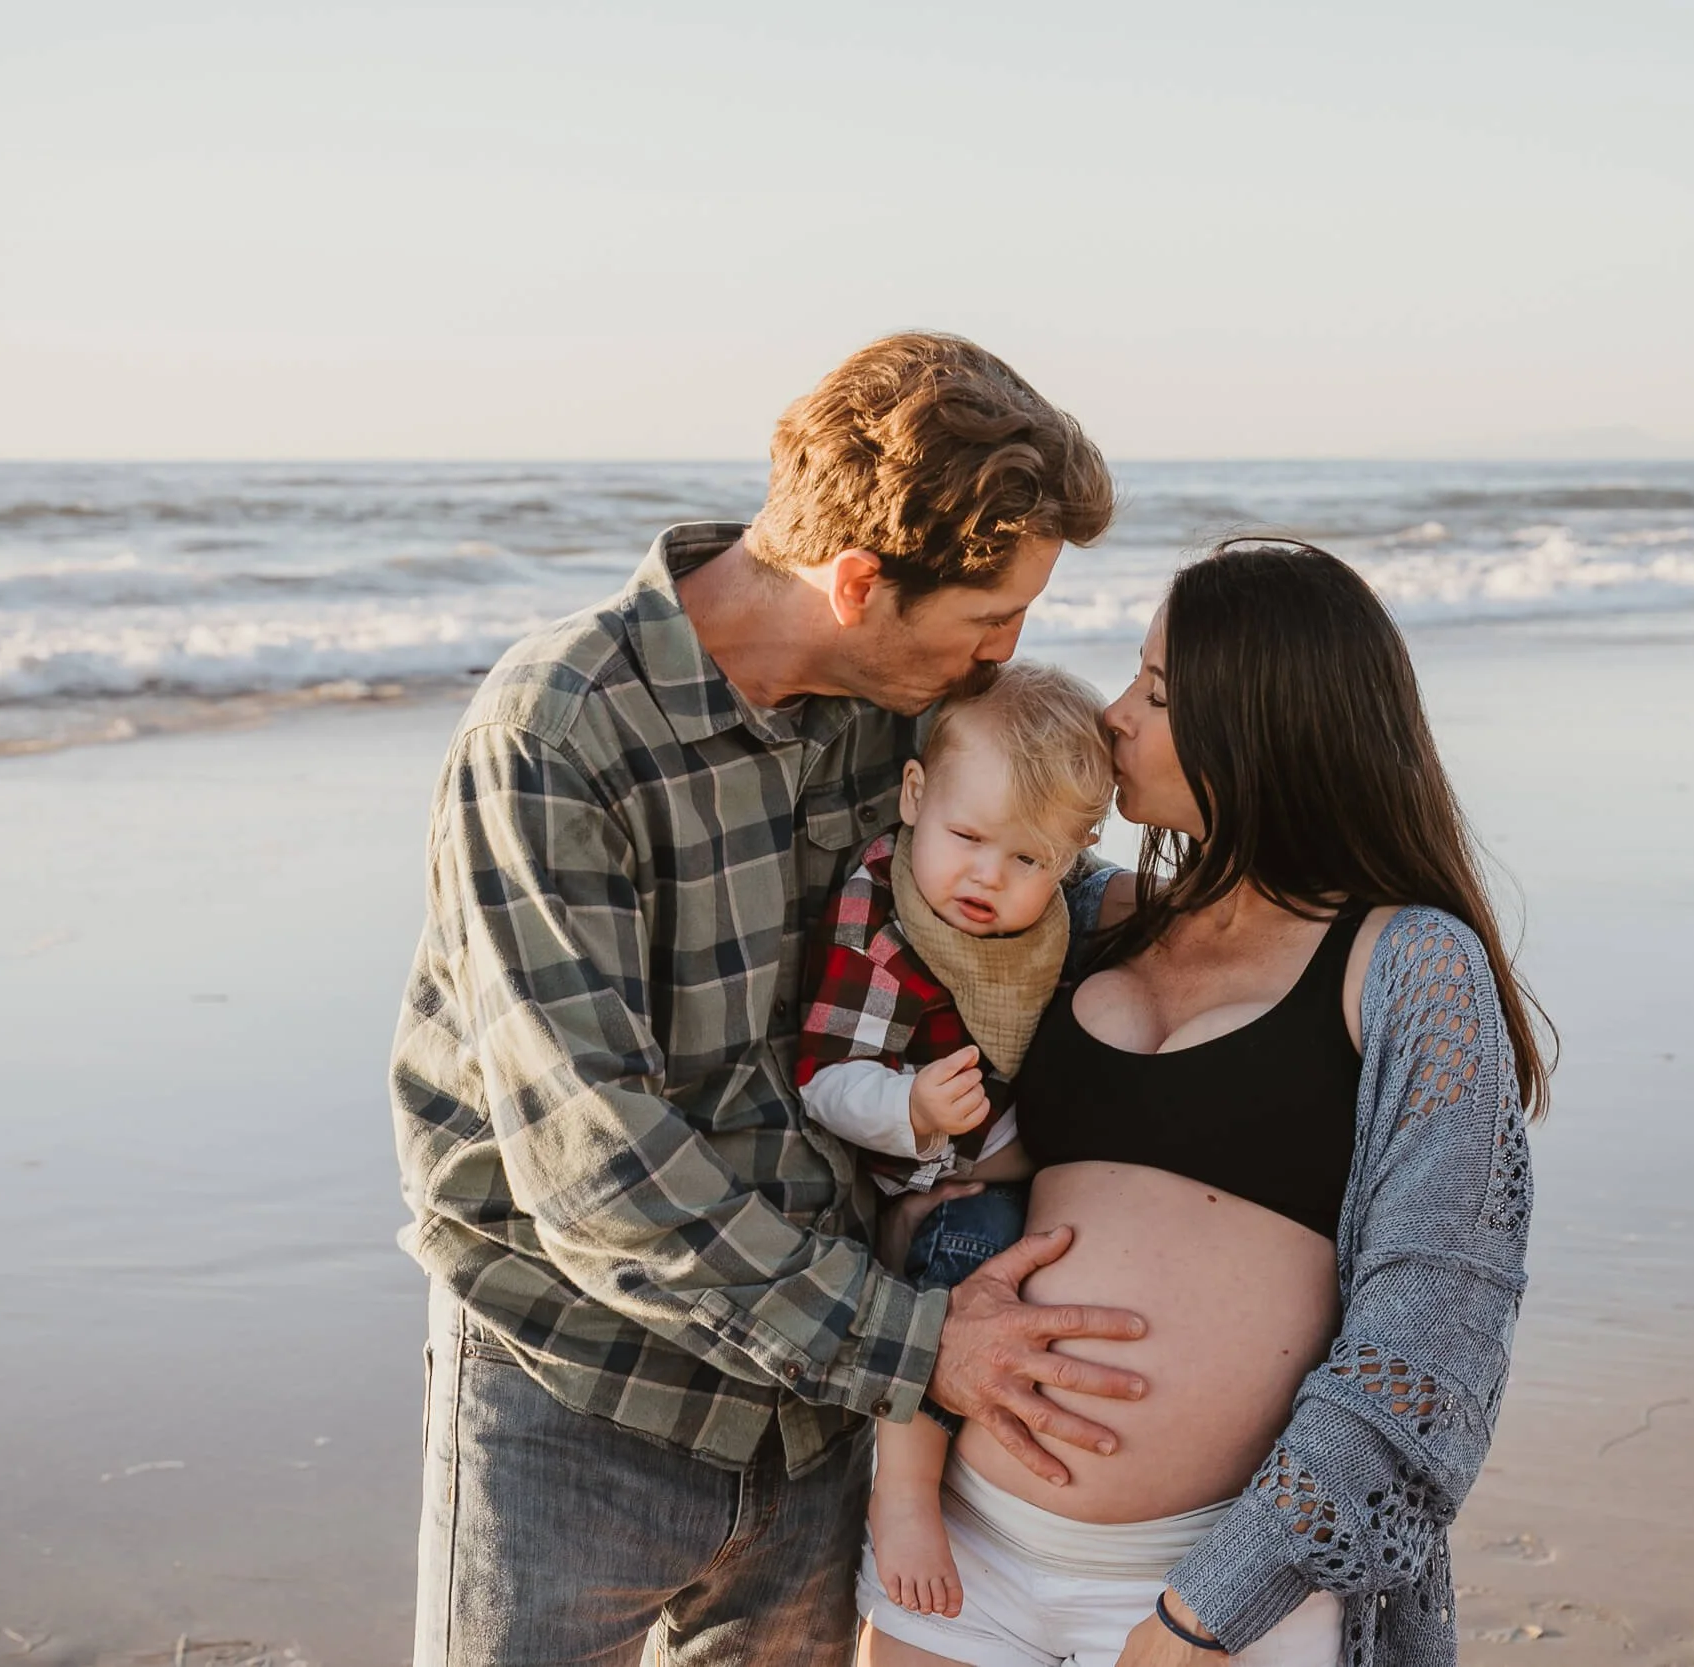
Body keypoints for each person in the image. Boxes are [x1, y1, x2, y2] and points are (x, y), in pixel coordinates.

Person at [389, 332, 1155, 1667]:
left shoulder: (908, 713)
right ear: (857, 581)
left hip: (818, 1422)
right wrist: (922, 1343)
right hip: (576, 1393)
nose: (1005, 653)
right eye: (990, 617)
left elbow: (1042, 885)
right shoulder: (558, 733)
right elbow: (595, 1164)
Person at [857, 540, 1554, 1667]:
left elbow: (1432, 1345)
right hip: (958, 1554)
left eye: (1158, 691)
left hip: (1215, 1594)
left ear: (1260, 726)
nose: (1114, 714)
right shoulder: (1072, 916)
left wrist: (1204, 1611)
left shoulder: (1411, 967)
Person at [795, 661, 1117, 1618]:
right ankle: (903, 1491)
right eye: (967, 838)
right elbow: (823, 1081)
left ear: (1071, 860)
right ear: (914, 795)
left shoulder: (1049, 923)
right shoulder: (883, 917)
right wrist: (910, 1109)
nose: (987, 876)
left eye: (1028, 861)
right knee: (967, 1260)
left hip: (1015, 1147)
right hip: (937, 1166)